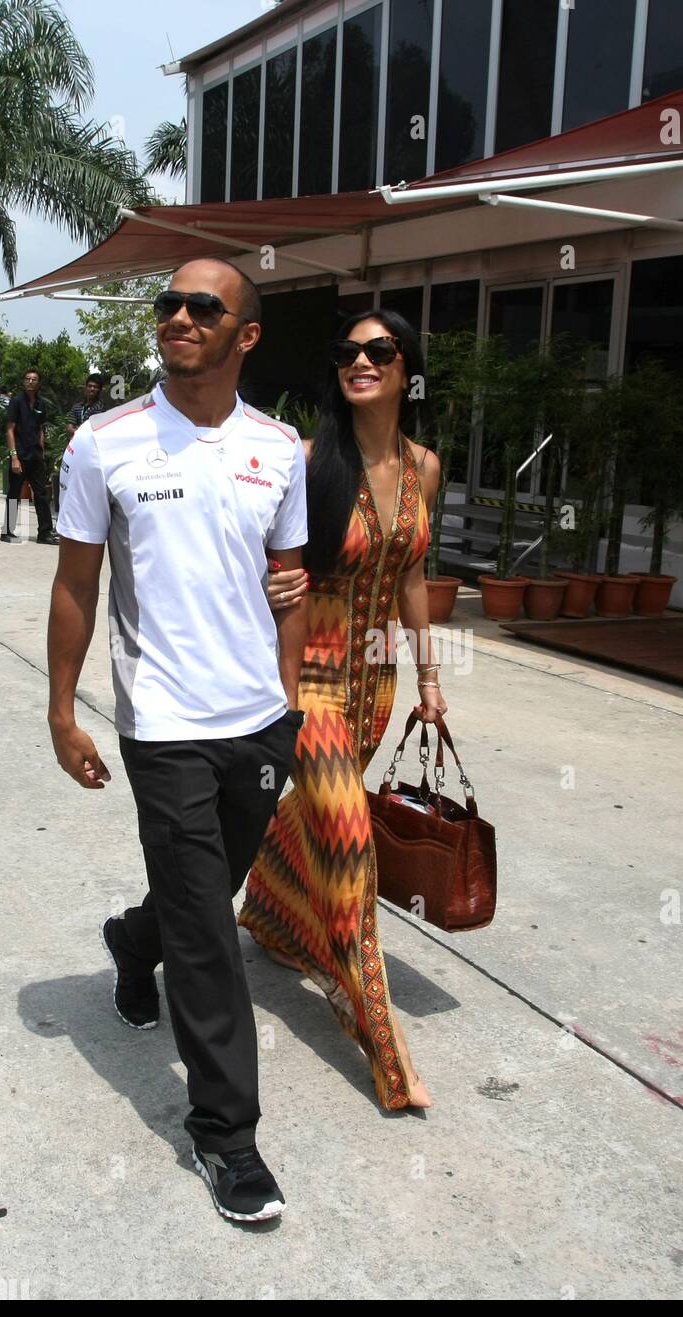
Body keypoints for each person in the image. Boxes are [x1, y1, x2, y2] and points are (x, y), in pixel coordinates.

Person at [47, 257, 309, 1223]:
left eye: (206, 307)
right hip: (161, 726)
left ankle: (129, 938)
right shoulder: (103, 442)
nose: (180, 317)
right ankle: (226, 1138)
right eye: (170, 303)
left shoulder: (280, 449)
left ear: (245, 336)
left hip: (257, 726)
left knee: (211, 890)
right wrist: (63, 710)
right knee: (210, 934)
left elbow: (289, 582)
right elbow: (77, 586)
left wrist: (287, 705)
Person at [239, 310, 445, 1111]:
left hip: (376, 686)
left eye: (378, 352)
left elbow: (413, 578)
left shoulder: (424, 467)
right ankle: (384, 1051)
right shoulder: (305, 459)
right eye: (347, 353)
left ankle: (271, 910)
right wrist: (269, 583)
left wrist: (431, 682)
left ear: (404, 369)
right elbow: (252, 550)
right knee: (352, 844)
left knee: (321, 816)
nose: (360, 363)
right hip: (310, 679)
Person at [2, 368, 57, 544]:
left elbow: (40, 429)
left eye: (34, 379)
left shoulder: (41, 404)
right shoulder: (16, 402)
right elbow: (10, 430)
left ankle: (44, 533)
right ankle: (7, 532)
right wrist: (14, 457)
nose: (30, 382)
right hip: (20, 455)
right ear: (23, 381)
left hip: (35, 456)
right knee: (14, 493)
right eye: (27, 379)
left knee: (41, 494)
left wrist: (41, 451)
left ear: (38, 383)